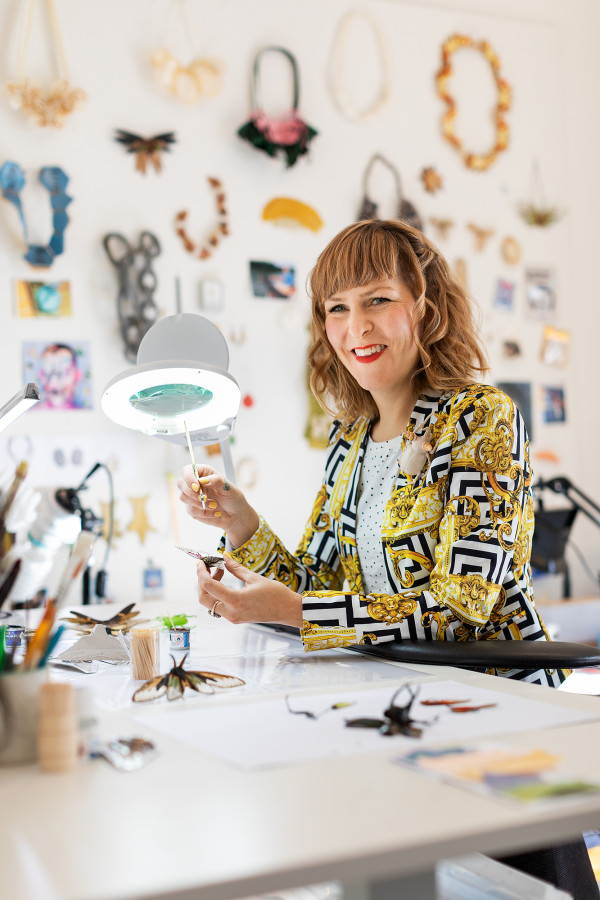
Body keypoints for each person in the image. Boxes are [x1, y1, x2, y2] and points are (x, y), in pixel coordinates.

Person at [178, 218, 566, 688]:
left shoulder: (480, 417)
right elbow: (311, 586)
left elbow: (461, 611)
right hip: (398, 689)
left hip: (502, 693)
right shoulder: (348, 439)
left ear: (427, 308)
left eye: (378, 300)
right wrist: (240, 523)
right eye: (337, 308)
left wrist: (299, 611)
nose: (357, 327)